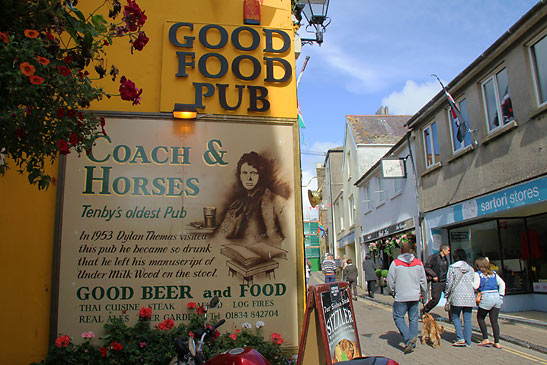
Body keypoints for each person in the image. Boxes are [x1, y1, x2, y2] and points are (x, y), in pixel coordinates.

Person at [213, 151, 287, 247]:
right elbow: (219, 237)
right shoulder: (237, 205)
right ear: (240, 176)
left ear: (260, 175)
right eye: (244, 173)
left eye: (253, 173)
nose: (249, 178)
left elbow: (289, 238)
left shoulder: (276, 201)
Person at [387, 241, 427, 354]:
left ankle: (409, 339)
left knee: (398, 318)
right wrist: (423, 292)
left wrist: (393, 292)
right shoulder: (419, 263)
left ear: (400, 251)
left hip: (401, 296)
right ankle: (412, 342)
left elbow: (390, 282)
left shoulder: (395, 263)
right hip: (415, 296)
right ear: (411, 251)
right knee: (413, 319)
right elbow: (423, 280)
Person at [445, 249, 475, 347]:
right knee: (467, 319)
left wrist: (446, 294)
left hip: (457, 296)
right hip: (469, 296)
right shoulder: (470, 268)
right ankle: (468, 341)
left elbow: (449, 283)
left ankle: (460, 337)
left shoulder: (452, 268)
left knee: (455, 316)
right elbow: (473, 281)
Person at [473, 257, 506, 349]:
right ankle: (497, 342)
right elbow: (502, 284)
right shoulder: (494, 274)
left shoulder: (478, 274)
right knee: (494, 321)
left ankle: (485, 338)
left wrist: (470, 283)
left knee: (480, 317)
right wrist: (501, 296)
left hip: (486, 297)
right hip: (496, 297)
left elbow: (476, 286)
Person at [423, 244, 451, 316]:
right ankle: (424, 310)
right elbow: (427, 267)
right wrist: (434, 275)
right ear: (443, 250)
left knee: (450, 298)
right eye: (448, 250)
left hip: (445, 281)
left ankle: (452, 317)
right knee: (435, 300)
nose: (449, 252)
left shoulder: (445, 259)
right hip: (437, 282)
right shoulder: (434, 257)